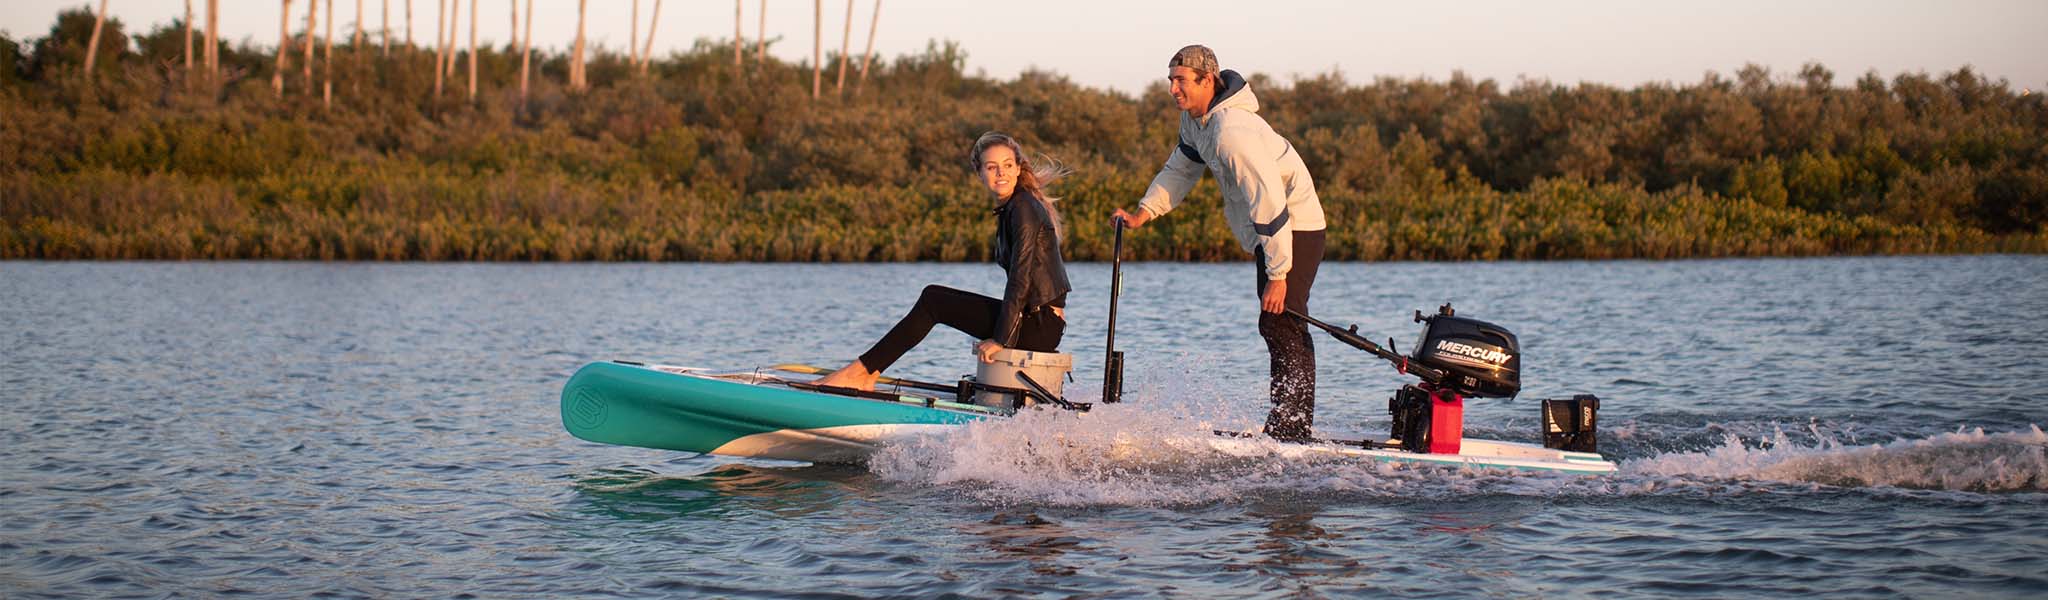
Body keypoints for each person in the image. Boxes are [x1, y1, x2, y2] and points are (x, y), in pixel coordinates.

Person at [1110, 45, 1329, 442]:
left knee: (1281, 322)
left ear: (1207, 80)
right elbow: (1180, 169)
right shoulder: (1195, 122)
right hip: (1273, 233)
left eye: (1182, 81)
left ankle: (1292, 430)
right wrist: (1144, 212)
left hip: (1294, 226)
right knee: (1280, 324)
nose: (1174, 89)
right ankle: (1290, 426)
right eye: (1171, 80)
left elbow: (1270, 201)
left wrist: (1278, 274)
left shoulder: (1232, 131)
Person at [815, 132, 1072, 391]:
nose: (1000, 173)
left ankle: (862, 373)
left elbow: (1021, 278)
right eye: (991, 167)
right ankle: (864, 372)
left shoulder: (1022, 208)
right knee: (934, 299)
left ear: (1017, 168)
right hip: (1037, 322)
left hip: (1039, 325)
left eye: (1007, 165)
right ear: (979, 172)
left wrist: (1001, 339)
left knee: (934, 301)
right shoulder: (1013, 207)